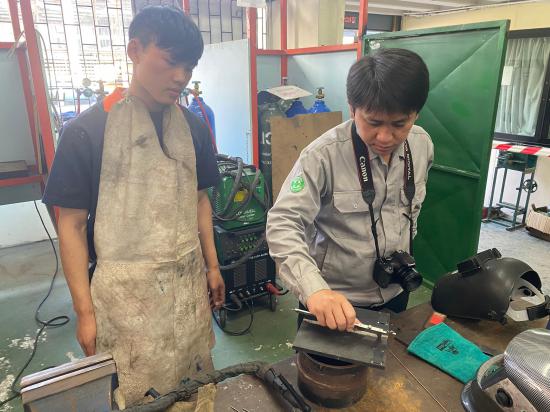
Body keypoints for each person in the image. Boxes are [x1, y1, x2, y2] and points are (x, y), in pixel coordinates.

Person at [42, 6, 224, 407]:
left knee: (193, 386)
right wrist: (85, 313)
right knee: (134, 390)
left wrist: (212, 267)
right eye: (171, 62)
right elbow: (70, 226)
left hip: (187, 286)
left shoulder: (193, 128)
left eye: (189, 67)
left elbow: (199, 199)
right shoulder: (85, 133)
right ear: (135, 50)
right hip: (125, 301)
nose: (180, 76)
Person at [266, 48, 434, 332]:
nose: (385, 137)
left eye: (399, 124)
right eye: (373, 122)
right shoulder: (322, 156)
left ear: (415, 114)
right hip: (332, 304)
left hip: (395, 293)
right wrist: (315, 290)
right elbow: (283, 223)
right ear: (353, 108)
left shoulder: (422, 145)